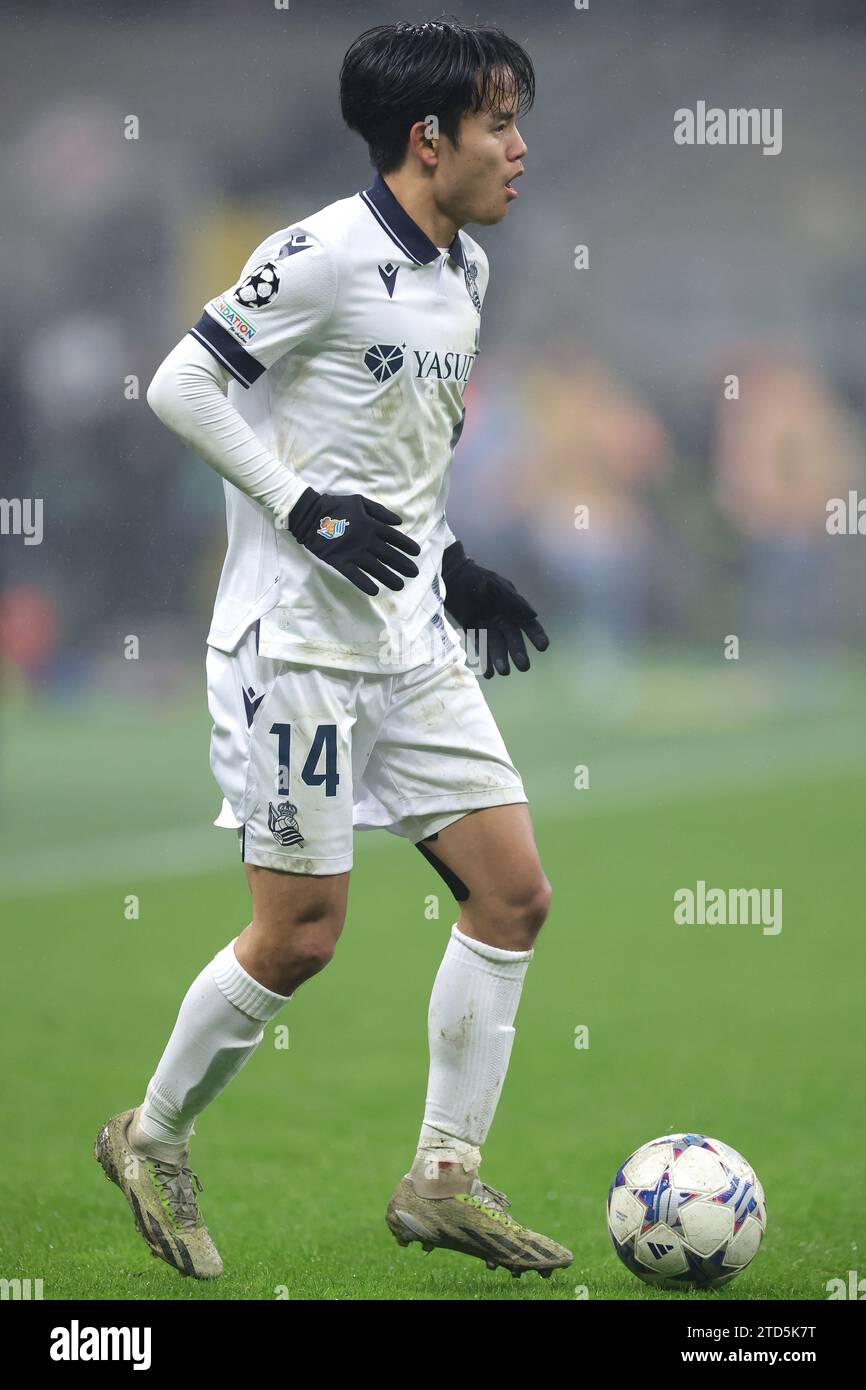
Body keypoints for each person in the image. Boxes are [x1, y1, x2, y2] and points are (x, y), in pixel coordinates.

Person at [94, 17, 571, 1283]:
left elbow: (395, 455)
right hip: (293, 645)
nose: (519, 150)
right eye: (499, 125)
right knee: (302, 935)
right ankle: (150, 1134)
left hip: (405, 633)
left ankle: (443, 1177)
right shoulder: (315, 255)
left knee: (511, 893)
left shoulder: (463, 273)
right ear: (429, 140)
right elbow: (180, 387)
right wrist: (300, 508)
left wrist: (451, 556)